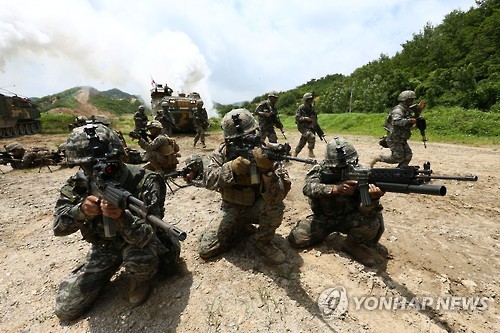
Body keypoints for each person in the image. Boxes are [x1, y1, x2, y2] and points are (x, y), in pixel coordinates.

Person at [53, 123, 180, 321]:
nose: (100, 170)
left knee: (142, 259)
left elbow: (149, 233)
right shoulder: (77, 184)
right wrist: (82, 211)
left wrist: (122, 217)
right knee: (66, 308)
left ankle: (140, 280)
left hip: (138, 241)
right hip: (104, 245)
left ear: (120, 156)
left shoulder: (146, 180)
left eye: (109, 162)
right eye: (89, 166)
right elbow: (58, 227)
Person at [198, 108, 291, 265]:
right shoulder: (223, 151)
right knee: (206, 249)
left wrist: (267, 171)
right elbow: (207, 179)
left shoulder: (266, 151)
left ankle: (263, 242)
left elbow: (279, 195)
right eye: (238, 140)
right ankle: (239, 226)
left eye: (249, 136)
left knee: (275, 207)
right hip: (231, 208)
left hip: (257, 207)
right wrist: (231, 168)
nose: (245, 141)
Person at [288, 137, 386, 267]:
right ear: (329, 164)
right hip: (324, 218)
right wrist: (335, 189)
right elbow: (307, 188)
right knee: (296, 239)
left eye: (348, 166)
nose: (344, 171)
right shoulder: (319, 170)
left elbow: (366, 210)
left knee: (372, 221)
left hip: (350, 218)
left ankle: (352, 245)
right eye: (338, 169)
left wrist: (373, 198)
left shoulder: (362, 173)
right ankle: (322, 233)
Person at [369, 90, 426, 168]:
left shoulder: (407, 110)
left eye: (412, 100)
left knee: (408, 155)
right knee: (397, 157)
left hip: (401, 137)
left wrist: (418, 110)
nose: (412, 102)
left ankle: (400, 170)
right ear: (404, 100)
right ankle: (379, 158)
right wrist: (410, 121)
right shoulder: (398, 110)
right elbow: (397, 122)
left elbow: (414, 117)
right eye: (410, 100)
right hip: (394, 138)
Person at [293, 92, 317, 158]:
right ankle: (310, 152)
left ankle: (296, 152)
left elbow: (315, 118)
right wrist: (305, 118)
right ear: (305, 100)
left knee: (303, 140)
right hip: (302, 126)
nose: (310, 101)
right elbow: (297, 117)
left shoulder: (312, 108)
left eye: (311, 99)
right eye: (309, 99)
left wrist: (313, 124)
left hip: (310, 127)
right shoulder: (301, 108)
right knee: (311, 136)